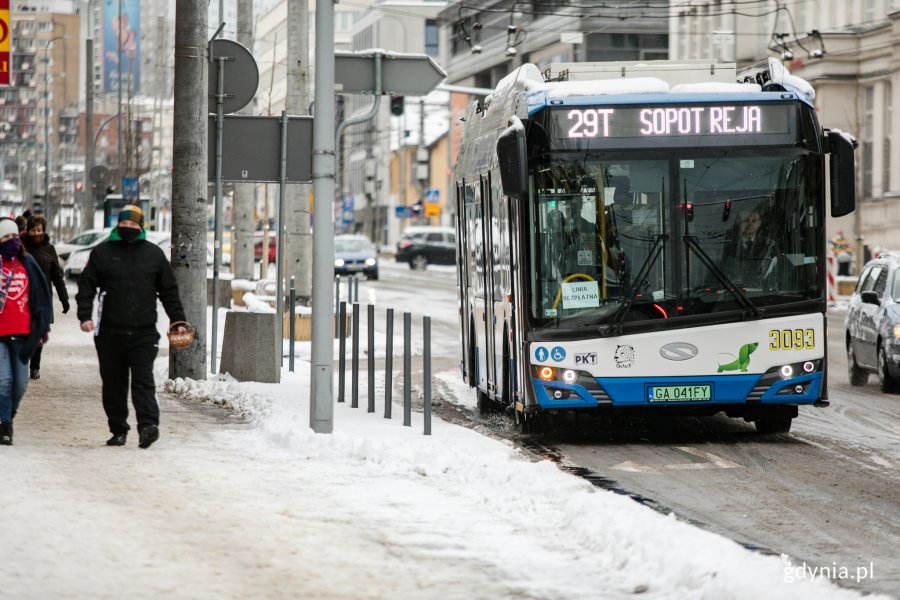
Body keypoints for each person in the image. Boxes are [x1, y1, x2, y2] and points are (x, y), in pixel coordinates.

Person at [76, 205, 187, 449]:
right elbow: (86, 286)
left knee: (143, 380)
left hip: (144, 332)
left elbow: (169, 291)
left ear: (141, 227)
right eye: (124, 225)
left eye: (133, 225)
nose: (128, 229)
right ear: (118, 226)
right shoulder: (102, 252)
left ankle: (148, 426)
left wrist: (178, 320)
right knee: (113, 384)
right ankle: (118, 429)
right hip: (108, 333)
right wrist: (84, 315)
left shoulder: (154, 255)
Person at [0, 217, 52, 445]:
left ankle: (7, 417)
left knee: (20, 384)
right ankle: (5, 425)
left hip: (22, 333)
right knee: (4, 380)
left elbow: (41, 296)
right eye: (4, 237)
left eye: (13, 236)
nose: (10, 240)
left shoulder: (27, 262)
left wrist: (42, 326)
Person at [22, 214, 70, 379]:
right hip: (22, 298)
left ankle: (35, 367)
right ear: (27, 231)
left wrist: (64, 299)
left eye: (39, 230)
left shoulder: (49, 249)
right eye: (33, 230)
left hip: (43, 298)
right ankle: (21, 364)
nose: (36, 233)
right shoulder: (20, 248)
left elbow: (57, 276)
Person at [723, 208, 779, 287]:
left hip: (762, 292)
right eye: (746, 220)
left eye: (754, 221)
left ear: (759, 224)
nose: (750, 224)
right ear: (739, 222)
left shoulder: (769, 245)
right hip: (735, 292)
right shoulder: (729, 246)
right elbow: (725, 272)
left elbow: (776, 272)